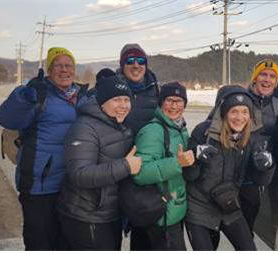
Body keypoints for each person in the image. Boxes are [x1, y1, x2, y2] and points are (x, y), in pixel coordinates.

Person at [0, 47, 88, 250]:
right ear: (49, 70)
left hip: (72, 185)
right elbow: (7, 119)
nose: (64, 70)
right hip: (40, 186)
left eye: (68, 65)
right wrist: (26, 96)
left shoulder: (83, 96)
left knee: (67, 242)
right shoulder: (37, 93)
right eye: (57, 65)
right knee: (40, 242)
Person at [183, 86, 276, 251]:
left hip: (229, 205)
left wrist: (266, 167)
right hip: (199, 207)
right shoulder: (204, 132)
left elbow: (258, 181)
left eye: (244, 112)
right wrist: (196, 160)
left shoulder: (252, 138)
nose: (240, 117)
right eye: (234, 111)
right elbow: (189, 176)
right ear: (224, 113)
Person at [57, 75, 142, 250]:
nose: (123, 105)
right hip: (86, 216)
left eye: (126, 99)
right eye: (116, 99)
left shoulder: (121, 126)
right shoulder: (84, 128)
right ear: (102, 102)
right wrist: (126, 166)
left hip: (110, 213)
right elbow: (79, 174)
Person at [133, 82, 194, 250]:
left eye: (179, 101)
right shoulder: (153, 131)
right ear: (161, 103)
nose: (174, 106)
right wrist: (177, 163)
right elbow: (140, 173)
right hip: (161, 215)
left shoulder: (179, 128)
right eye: (169, 100)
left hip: (174, 210)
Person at [241, 59, 278, 236]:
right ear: (255, 78)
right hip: (230, 171)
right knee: (218, 222)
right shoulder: (239, 98)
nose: (267, 79)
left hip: (255, 177)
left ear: (276, 81)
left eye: (272, 76)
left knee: (246, 227)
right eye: (263, 75)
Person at [115, 43, 161, 250]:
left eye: (141, 61)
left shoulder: (156, 90)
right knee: (110, 232)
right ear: (122, 64)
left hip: (144, 170)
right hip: (114, 168)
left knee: (143, 233)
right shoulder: (110, 87)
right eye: (130, 61)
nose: (136, 65)